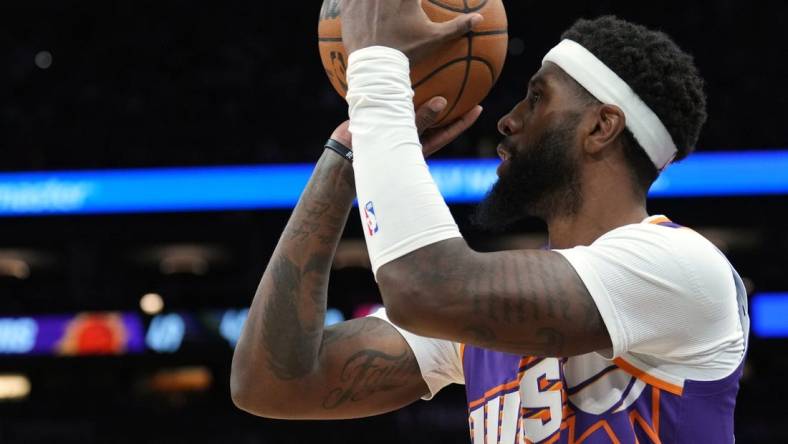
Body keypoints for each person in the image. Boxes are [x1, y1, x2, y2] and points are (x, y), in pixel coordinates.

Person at [231, 2, 749, 442]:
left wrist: (377, 75)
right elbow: (271, 383)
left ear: (600, 126)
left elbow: (423, 286)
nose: (509, 119)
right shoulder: (481, 319)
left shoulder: (680, 269)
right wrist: (348, 154)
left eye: (537, 98)